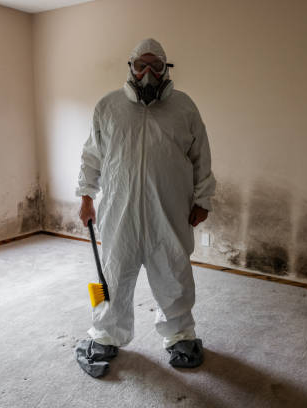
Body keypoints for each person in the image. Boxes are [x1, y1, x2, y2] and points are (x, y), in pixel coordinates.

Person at [74, 38, 216, 378]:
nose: (147, 73)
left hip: (168, 210)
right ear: (131, 68)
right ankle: (105, 333)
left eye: (155, 66)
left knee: (174, 275)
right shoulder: (108, 107)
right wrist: (86, 197)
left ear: (166, 69)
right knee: (111, 275)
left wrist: (203, 199)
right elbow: (91, 155)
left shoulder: (184, 108)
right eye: (141, 66)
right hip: (119, 212)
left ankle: (180, 335)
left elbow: (201, 157)